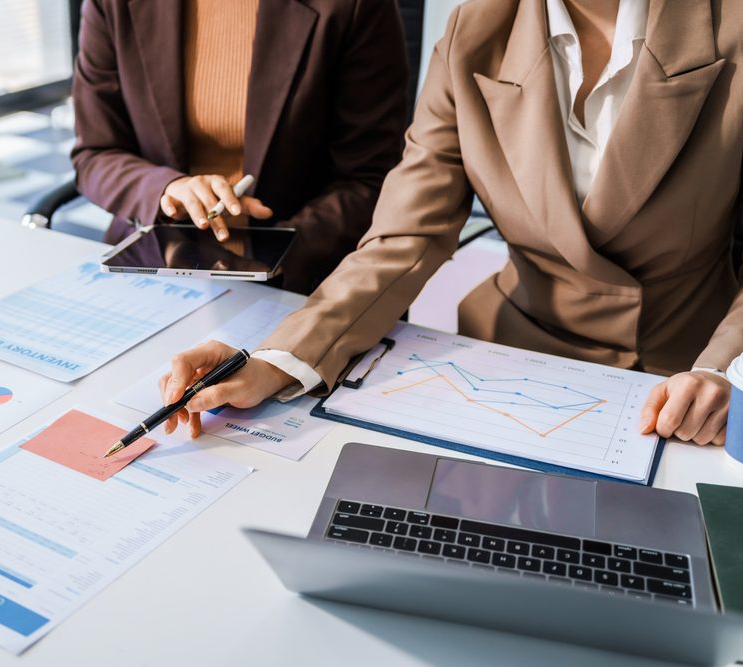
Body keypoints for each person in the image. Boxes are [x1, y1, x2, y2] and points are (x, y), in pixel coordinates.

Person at [160, 0, 743, 448]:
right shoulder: (475, 31)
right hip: (512, 360)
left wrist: (727, 373)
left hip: (686, 373)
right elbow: (406, 234)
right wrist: (277, 358)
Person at [70, 0, 409, 295]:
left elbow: (370, 177)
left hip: (301, 270)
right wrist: (166, 188)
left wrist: (272, 252)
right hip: (151, 264)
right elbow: (95, 153)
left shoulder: (356, 5)